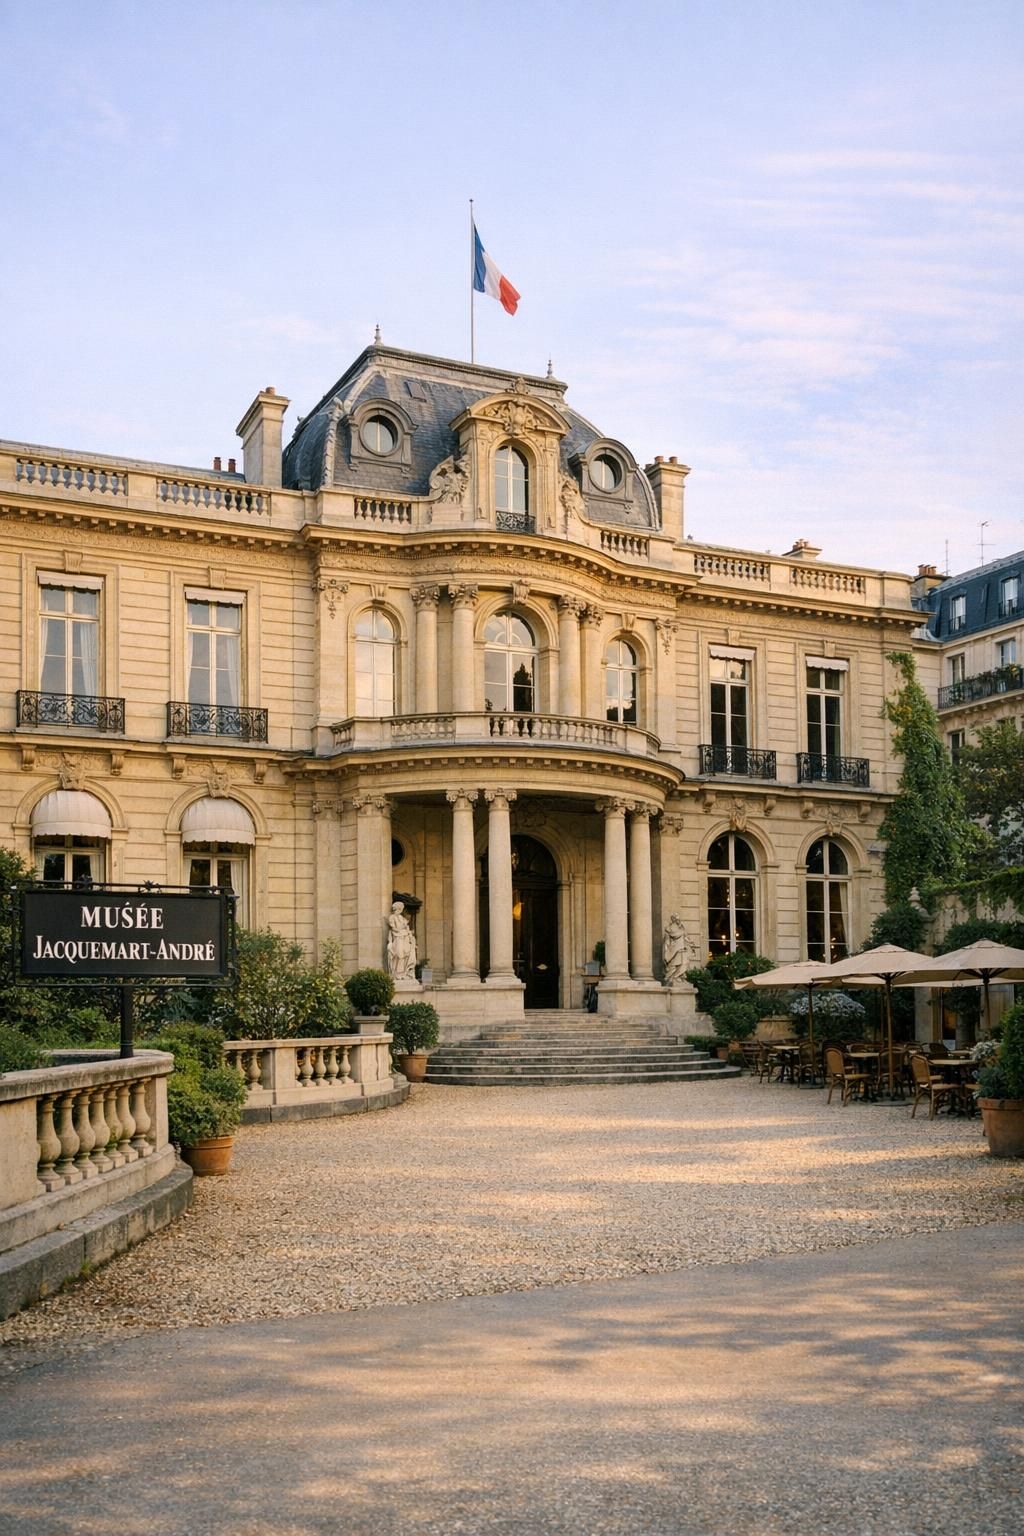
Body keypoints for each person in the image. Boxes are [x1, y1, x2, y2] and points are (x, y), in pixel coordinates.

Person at [387, 900, 417, 981]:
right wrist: (403, 928)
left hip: (405, 938)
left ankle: (404, 973)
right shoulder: (392, 917)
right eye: (399, 909)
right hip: (398, 938)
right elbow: (394, 929)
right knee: (399, 955)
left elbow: (406, 927)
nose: (400, 911)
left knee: (406, 954)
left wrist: (409, 933)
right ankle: (398, 974)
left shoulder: (402, 918)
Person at [662, 913, 694, 985]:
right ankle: (674, 978)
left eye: (678, 919)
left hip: (683, 949)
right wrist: (682, 932)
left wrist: (690, 942)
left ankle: (678, 977)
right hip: (675, 950)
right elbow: (675, 935)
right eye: (676, 919)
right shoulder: (671, 928)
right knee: (674, 965)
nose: (678, 920)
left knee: (684, 963)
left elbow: (685, 937)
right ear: (673, 919)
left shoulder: (681, 928)